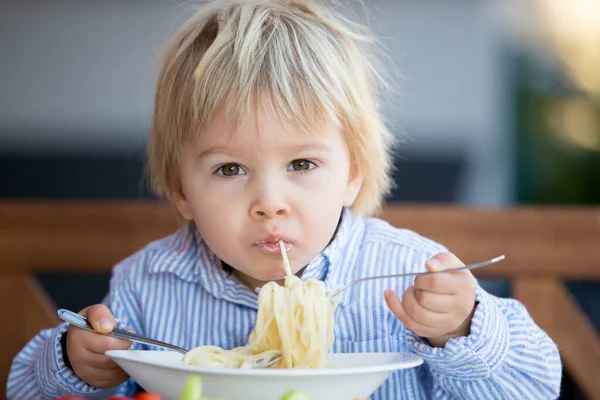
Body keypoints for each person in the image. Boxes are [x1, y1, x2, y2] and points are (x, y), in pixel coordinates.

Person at [7, 0, 562, 399]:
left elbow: (537, 384)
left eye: (301, 164)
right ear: (181, 190)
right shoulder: (149, 283)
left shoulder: (406, 273)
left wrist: (462, 328)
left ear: (353, 173)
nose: (269, 201)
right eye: (230, 168)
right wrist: (74, 362)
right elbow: (23, 386)